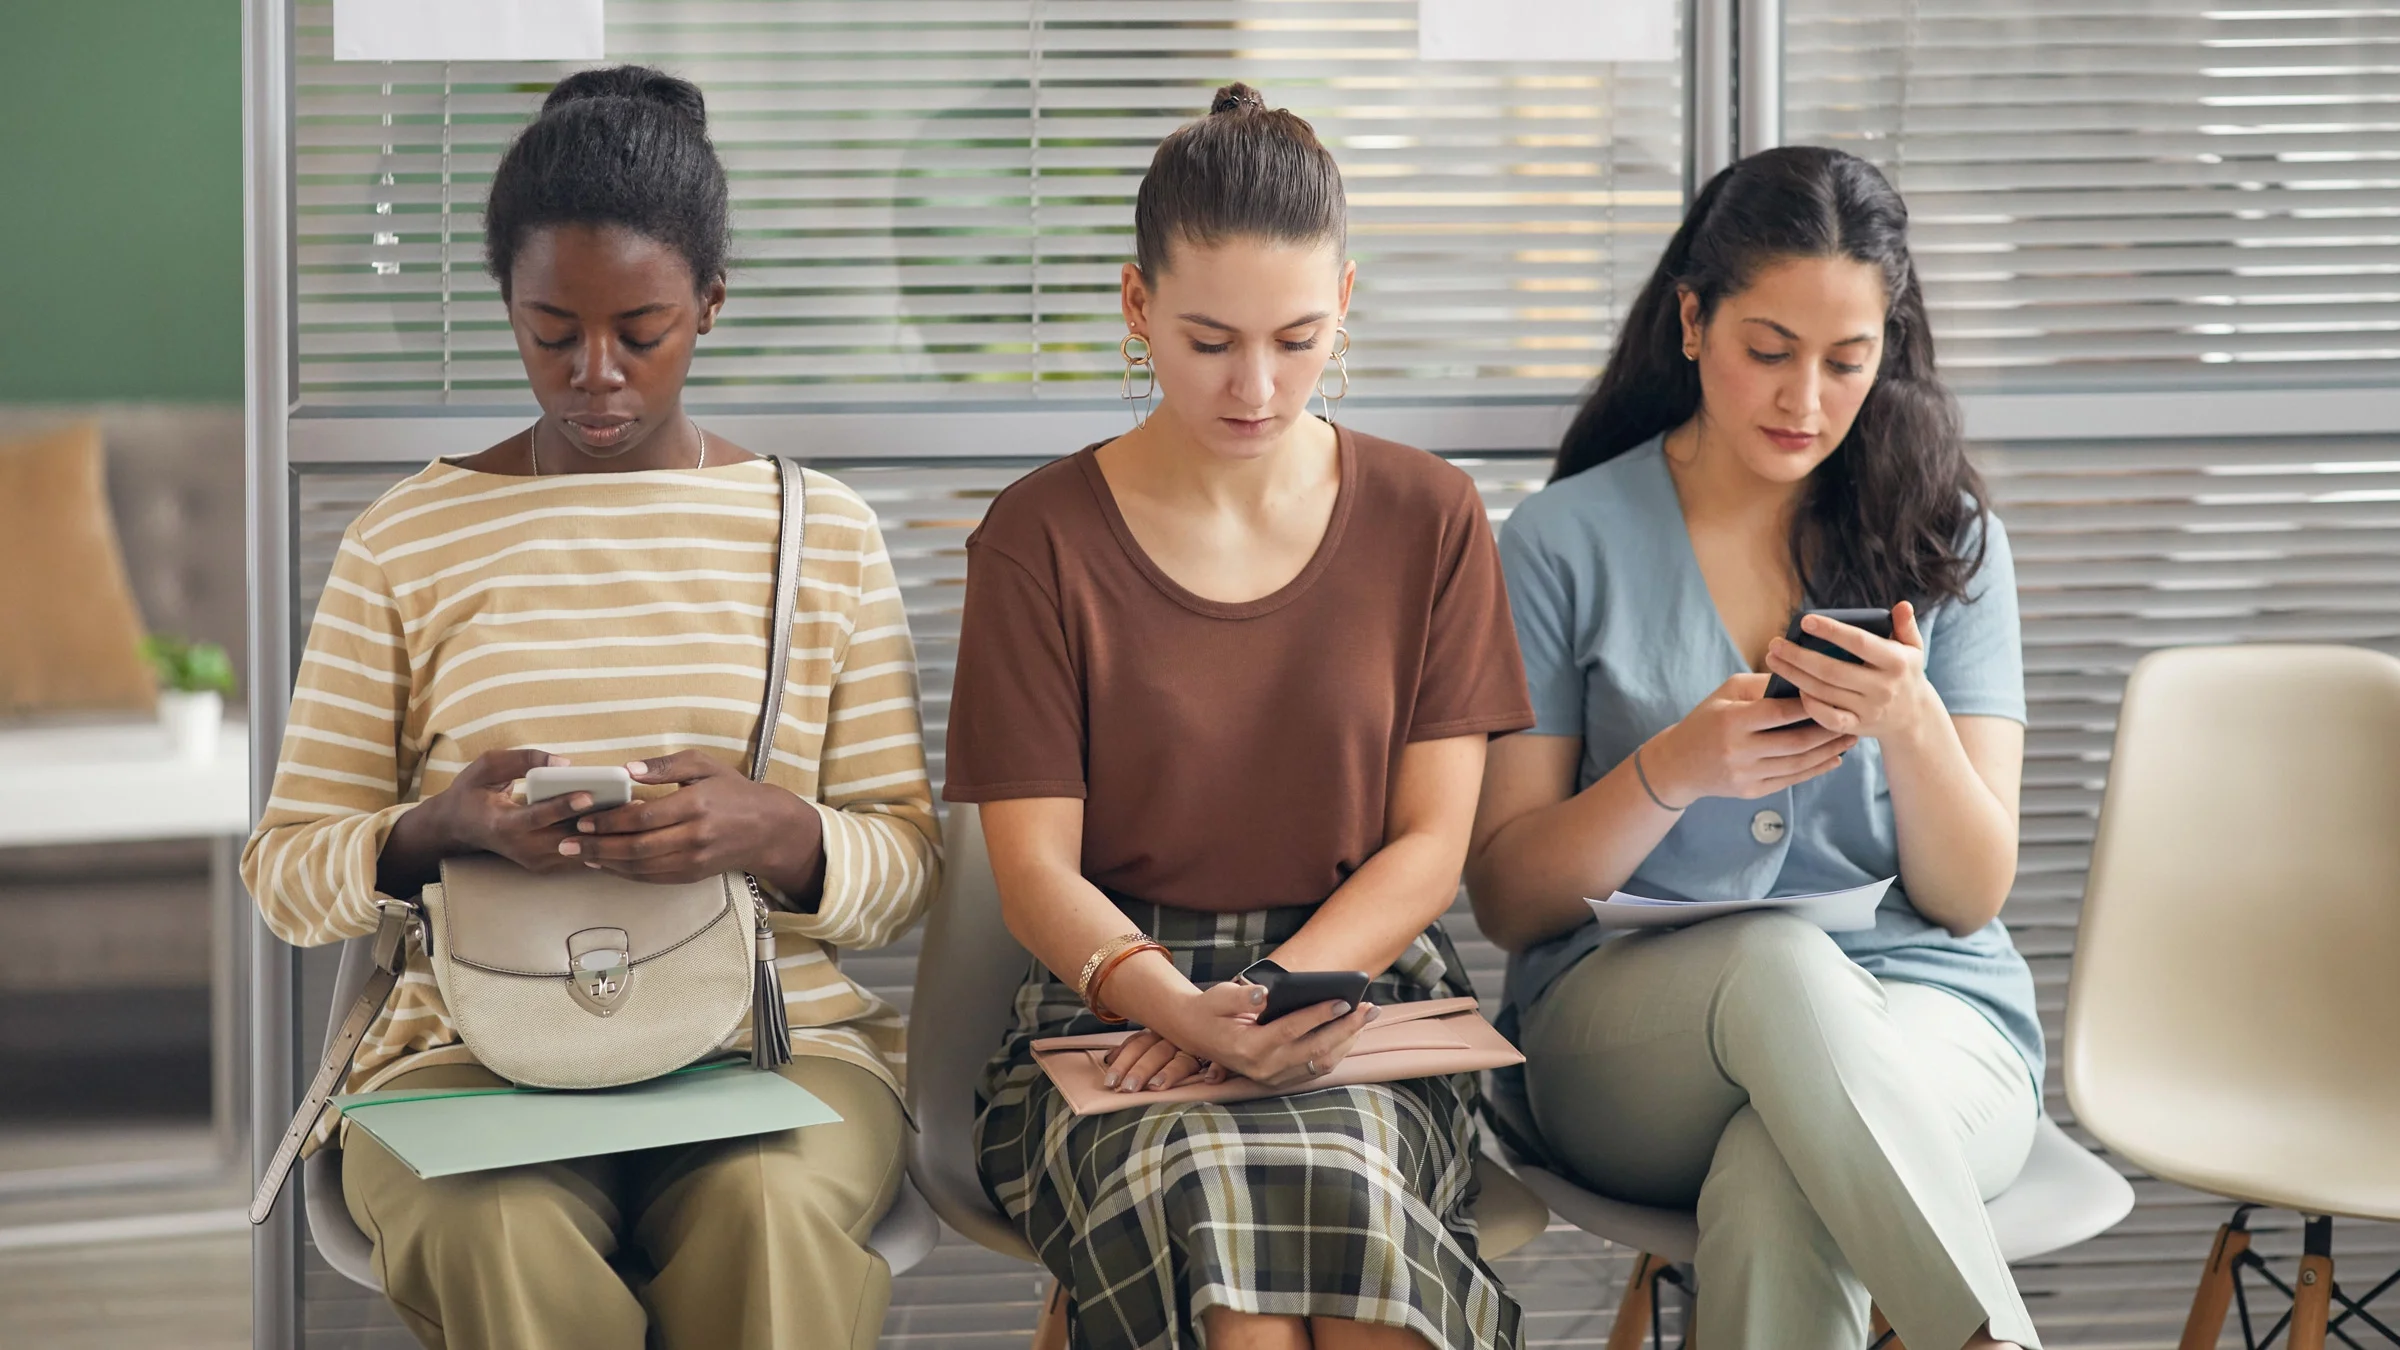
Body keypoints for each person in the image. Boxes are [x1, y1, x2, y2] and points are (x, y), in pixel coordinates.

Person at [241, 66, 940, 1350]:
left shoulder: (817, 532)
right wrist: (437, 827)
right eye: (551, 331)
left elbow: (907, 866)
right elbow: (285, 874)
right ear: (507, 306)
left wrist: (774, 832)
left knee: (771, 1213)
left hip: (770, 1048)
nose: (596, 376)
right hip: (463, 1052)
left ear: (712, 304)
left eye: (643, 330)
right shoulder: (405, 540)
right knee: (490, 1226)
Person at [944, 83, 1533, 1350]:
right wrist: (1174, 1008)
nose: (1256, 386)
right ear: (1136, 305)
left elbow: (1432, 844)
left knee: (1366, 1275)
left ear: (1346, 308)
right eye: (1210, 341)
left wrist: (1265, 998)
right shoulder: (1038, 539)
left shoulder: (1429, 518)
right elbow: (1035, 874)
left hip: (1349, 989)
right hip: (1107, 1004)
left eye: (1298, 337)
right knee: (1233, 1290)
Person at [1465, 146, 2044, 1350]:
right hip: (1625, 1043)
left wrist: (1913, 722)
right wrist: (1671, 770)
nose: (1807, 402)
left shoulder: (1950, 540)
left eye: (1848, 360)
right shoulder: (1564, 541)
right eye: (1768, 351)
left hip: (1929, 1019)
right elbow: (1512, 899)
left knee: (1786, 1173)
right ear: (1691, 317)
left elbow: (1973, 891)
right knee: (1779, 965)